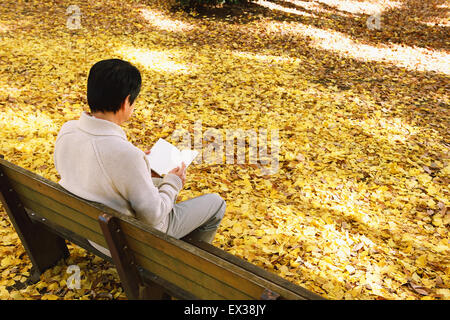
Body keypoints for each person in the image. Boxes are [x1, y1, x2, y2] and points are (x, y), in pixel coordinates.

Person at [54, 58, 226, 257]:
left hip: (89, 228)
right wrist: (173, 182)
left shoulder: (67, 130)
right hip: (127, 243)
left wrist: (140, 167)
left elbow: (88, 169)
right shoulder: (126, 155)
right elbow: (153, 217)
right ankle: (183, 267)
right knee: (216, 203)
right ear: (127, 102)